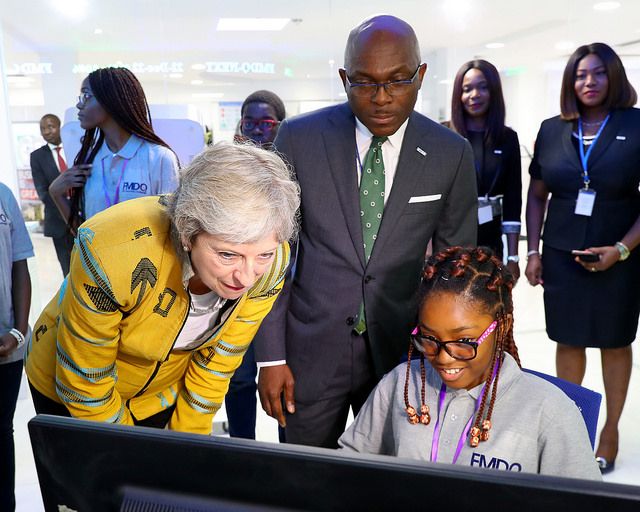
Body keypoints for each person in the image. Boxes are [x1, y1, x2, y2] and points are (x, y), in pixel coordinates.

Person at [255, 14, 477, 448]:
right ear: (343, 79)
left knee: (393, 484)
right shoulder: (299, 138)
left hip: (406, 353)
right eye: (364, 83)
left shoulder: (450, 154)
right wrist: (271, 357)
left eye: (397, 81)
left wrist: (453, 358)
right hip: (309, 354)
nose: (381, 98)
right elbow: (272, 254)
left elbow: (455, 269)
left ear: (421, 75)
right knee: (305, 481)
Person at [25, 141, 300, 435]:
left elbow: (218, 362)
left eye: (262, 255)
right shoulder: (111, 252)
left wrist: (190, 443)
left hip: (159, 393)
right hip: (72, 387)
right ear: (187, 231)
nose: (246, 278)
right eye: (227, 255)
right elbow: (86, 379)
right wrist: (127, 452)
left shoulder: (271, 258)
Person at [339, 246, 601, 480]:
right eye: (429, 338)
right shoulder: (400, 384)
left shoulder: (550, 411)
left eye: (464, 341)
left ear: (502, 327)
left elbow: (583, 503)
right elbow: (348, 469)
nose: (443, 357)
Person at [525, 42, 640, 474]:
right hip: (561, 255)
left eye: (597, 73)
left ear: (614, 78)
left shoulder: (636, 124)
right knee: (568, 339)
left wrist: (622, 249)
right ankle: (573, 428)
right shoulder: (552, 128)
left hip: (621, 256)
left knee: (614, 340)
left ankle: (609, 429)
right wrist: (533, 250)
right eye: (579, 74)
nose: (588, 82)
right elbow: (537, 195)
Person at [48, 67, 179, 233]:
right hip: (99, 259)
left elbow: (173, 231)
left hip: (144, 259)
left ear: (111, 100)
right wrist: (56, 194)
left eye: (86, 96)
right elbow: (84, 236)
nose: (79, 104)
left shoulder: (159, 158)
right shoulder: (88, 162)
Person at [225, 90, 287, 440]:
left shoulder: (295, 166)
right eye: (250, 122)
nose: (258, 130)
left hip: (283, 287)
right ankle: (240, 451)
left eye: (266, 122)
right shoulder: (230, 167)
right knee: (239, 378)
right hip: (241, 286)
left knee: (283, 375)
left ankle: (288, 449)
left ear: (281, 125)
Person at [449, 60, 522, 280]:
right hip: (451, 240)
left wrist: (513, 258)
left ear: (494, 92)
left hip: (491, 242)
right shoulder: (444, 135)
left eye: (483, 87)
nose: (474, 95)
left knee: (488, 310)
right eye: (467, 89)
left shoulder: (507, 138)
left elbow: (513, 199)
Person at [0, 182, 33, 511]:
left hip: (6, 348)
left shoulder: (3, 195)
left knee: (1, 430)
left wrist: (18, 332)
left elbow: (19, 264)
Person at [30, 114, 74, 276]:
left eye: (50, 126)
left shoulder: (73, 147)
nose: (47, 131)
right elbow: (43, 191)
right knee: (67, 269)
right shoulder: (37, 156)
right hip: (58, 223)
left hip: (83, 218)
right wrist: (65, 212)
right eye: (43, 129)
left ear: (59, 126)